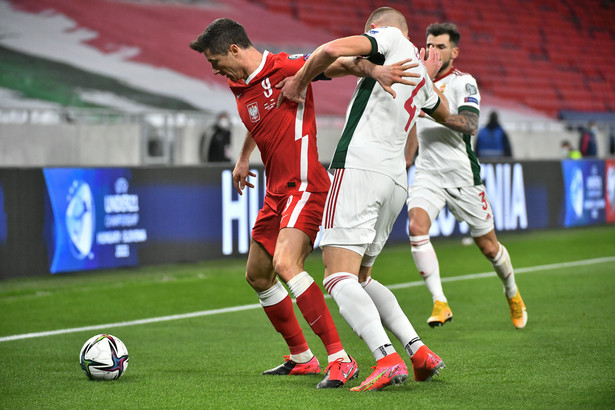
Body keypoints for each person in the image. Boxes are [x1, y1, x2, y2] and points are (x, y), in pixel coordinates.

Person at [278, 7, 450, 392]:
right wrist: (429, 77)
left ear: (377, 29)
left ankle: (385, 357)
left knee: (337, 276)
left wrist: (298, 82)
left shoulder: (386, 39)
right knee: (361, 277)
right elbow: (443, 111)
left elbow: (328, 49)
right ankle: (418, 351)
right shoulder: (420, 72)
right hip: (395, 180)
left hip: (359, 169)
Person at [189, 18, 359, 389]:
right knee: (258, 274)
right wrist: (243, 157)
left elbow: (339, 64)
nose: (215, 70)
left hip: (305, 185)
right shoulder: (238, 83)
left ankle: (340, 358)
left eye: (215, 61)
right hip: (275, 191)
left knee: (286, 263)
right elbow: (258, 118)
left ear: (234, 49)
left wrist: (377, 68)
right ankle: (302, 358)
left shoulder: (286, 65)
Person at [406, 22, 527, 330]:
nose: (433, 51)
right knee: (416, 227)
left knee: (489, 247)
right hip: (428, 174)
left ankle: (512, 292)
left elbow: (471, 124)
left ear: (454, 52)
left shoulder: (463, 82)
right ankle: (440, 301)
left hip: (462, 175)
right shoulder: (418, 81)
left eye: (441, 47)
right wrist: (404, 163)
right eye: (430, 45)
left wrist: (435, 109)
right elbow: (413, 133)